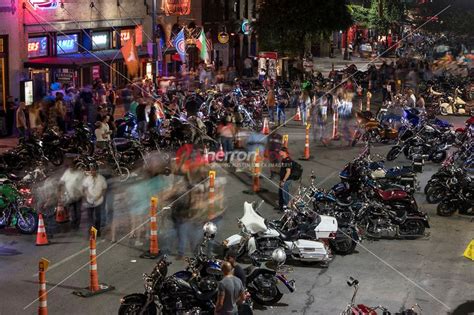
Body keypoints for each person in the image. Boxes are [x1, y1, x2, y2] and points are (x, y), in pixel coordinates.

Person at [82, 164, 107, 237]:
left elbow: (104, 189)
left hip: (98, 201)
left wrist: (100, 196)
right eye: (91, 170)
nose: (92, 171)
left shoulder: (101, 178)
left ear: (97, 170)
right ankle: (92, 233)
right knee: (90, 218)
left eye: (94, 170)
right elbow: (84, 188)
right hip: (89, 201)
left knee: (97, 218)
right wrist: (87, 195)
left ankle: (97, 231)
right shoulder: (87, 179)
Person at [59, 162, 85, 230]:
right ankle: (73, 224)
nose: (71, 168)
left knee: (78, 211)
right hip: (70, 196)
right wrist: (61, 192)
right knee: (72, 211)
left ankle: (77, 224)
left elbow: (84, 183)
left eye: (72, 166)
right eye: (70, 166)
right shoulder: (67, 173)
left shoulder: (79, 173)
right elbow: (61, 182)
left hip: (78, 195)